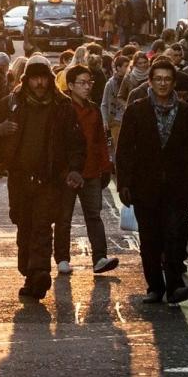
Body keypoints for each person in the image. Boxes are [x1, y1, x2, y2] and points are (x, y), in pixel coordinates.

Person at [0, 54, 85, 300]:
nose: (40, 84)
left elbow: (76, 143)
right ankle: (29, 273)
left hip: (50, 178)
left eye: (44, 78)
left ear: (50, 79)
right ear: (26, 80)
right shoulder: (12, 103)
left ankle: (40, 271)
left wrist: (75, 168)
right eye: (34, 79)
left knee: (42, 227)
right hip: (20, 177)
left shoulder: (63, 107)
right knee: (24, 225)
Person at [116, 58, 188, 304]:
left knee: (175, 235)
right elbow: (124, 150)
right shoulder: (137, 109)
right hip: (145, 186)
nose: (163, 84)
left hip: (177, 186)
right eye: (158, 79)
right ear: (150, 82)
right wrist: (124, 183)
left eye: (167, 79)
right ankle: (155, 286)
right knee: (151, 238)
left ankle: (175, 285)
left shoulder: (186, 112)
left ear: (173, 82)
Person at [58, 65, 119, 275]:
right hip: (68, 173)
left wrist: (106, 167)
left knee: (94, 215)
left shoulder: (93, 109)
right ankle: (62, 258)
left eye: (89, 82)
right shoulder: (63, 108)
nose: (87, 87)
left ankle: (99, 258)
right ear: (71, 85)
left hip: (92, 171)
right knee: (63, 217)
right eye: (82, 83)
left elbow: (101, 141)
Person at [101, 54, 129, 154]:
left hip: (127, 120)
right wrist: (105, 120)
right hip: (115, 120)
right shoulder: (111, 83)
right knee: (116, 150)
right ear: (118, 68)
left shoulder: (131, 81)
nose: (128, 68)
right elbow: (104, 104)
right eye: (126, 66)